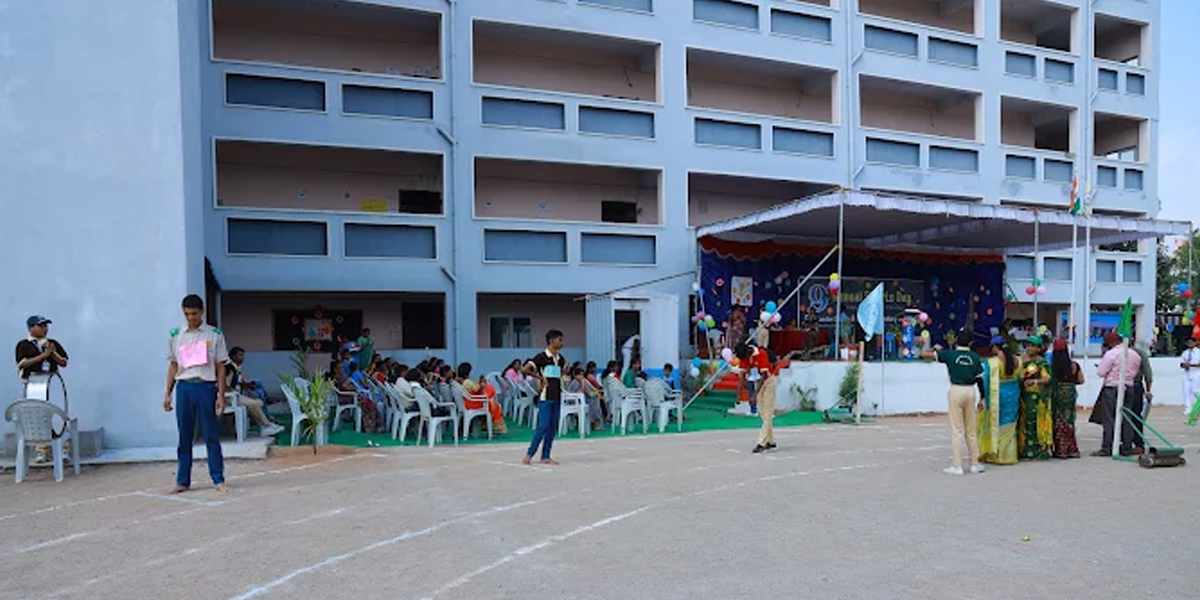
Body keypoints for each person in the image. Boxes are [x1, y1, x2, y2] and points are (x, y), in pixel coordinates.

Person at [163, 294, 230, 494]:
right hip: (184, 387)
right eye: (186, 314)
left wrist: (220, 394)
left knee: (211, 434)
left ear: (201, 312)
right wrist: (167, 393)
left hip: (205, 387)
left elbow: (220, 367)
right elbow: (173, 365)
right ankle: (182, 480)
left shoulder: (214, 334)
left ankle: (218, 478)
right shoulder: (176, 334)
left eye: (193, 313)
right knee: (184, 435)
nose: (190, 318)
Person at [924, 329, 984, 475]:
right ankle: (974, 464)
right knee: (971, 430)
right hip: (971, 391)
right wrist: (982, 398)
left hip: (956, 390)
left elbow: (926, 355)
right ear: (970, 342)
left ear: (956, 340)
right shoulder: (975, 357)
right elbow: (980, 379)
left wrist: (933, 349)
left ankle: (957, 466)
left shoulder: (950, 354)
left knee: (956, 429)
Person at [15, 314, 70, 463]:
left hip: (51, 382)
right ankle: (41, 450)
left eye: (46, 326)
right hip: (34, 383)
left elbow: (64, 362)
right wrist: (43, 356)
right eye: (41, 326)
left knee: (57, 415)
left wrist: (52, 353)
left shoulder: (52, 343)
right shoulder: (24, 344)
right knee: (37, 415)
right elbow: (22, 364)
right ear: (31, 328)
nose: (45, 329)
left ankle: (63, 448)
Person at [1093, 332, 1142, 456]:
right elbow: (1136, 372)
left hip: (1112, 387)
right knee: (1127, 418)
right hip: (1129, 386)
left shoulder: (1111, 354)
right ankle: (1126, 447)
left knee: (1109, 418)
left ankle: (1107, 447)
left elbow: (1101, 372)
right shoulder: (1135, 354)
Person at [523, 330, 568, 465]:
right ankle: (529, 454)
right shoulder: (541, 357)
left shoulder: (560, 359)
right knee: (543, 426)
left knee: (553, 427)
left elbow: (558, 376)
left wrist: (564, 372)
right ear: (551, 341)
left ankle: (545, 455)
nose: (562, 343)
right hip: (545, 396)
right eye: (559, 340)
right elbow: (526, 369)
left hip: (557, 395)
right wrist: (540, 378)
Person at [978, 336, 1018, 465]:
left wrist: (984, 398)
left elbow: (985, 381)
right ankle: (1009, 454)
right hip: (1013, 394)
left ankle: (997, 453)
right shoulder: (1018, 360)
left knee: (997, 423)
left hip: (998, 394)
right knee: (1010, 423)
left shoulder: (991, 362)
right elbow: (1021, 377)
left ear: (995, 347)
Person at [225, 347, 284, 437]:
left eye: (243, 355)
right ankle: (266, 425)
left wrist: (249, 393)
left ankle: (265, 426)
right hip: (229, 397)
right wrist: (234, 392)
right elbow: (225, 385)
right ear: (233, 356)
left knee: (255, 404)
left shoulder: (236, 368)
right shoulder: (229, 368)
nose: (243, 358)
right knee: (256, 403)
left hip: (235, 395)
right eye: (240, 355)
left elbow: (241, 383)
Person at [735, 342, 777, 454]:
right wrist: (738, 394)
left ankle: (761, 442)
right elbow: (742, 376)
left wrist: (754, 394)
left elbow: (764, 376)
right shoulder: (744, 356)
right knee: (763, 413)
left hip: (768, 382)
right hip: (758, 383)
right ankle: (771, 441)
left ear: (749, 351)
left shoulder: (761, 353)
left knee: (767, 412)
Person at [1017, 336, 1053, 460]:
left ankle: (1037, 450)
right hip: (1022, 395)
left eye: (1032, 346)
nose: (1029, 348)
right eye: (1028, 345)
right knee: (1023, 422)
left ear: (1039, 348)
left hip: (1036, 397)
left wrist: (1035, 381)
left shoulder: (1042, 362)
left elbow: (1047, 378)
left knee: (1034, 421)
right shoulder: (1021, 360)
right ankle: (1023, 450)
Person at [1048, 339, 1083, 459]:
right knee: (1069, 420)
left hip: (1057, 394)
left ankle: (1061, 449)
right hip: (1070, 394)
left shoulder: (1052, 366)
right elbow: (1081, 380)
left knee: (1058, 421)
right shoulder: (1074, 365)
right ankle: (1072, 449)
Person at [457, 362, 508, 435]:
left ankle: (488, 426)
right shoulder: (467, 382)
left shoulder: (462, 381)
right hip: (471, 403)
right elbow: (477, 389)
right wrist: (482, 384)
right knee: (493, 404)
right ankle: (495, 427)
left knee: (491, 402)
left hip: (468, 401)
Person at [1180, 337, 1200, 420]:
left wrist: (1191, 365)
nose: (1190, 344)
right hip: (1186, 373)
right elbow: (1181, 363)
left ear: (1195, 343)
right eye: (1188, 342)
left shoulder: (1198, 352)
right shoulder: (1185, 353)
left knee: (1195, 390)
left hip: (1196, 372)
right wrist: (1184, 365)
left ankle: (1198, 404)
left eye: (1192, 342)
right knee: (1186, 390)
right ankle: (1188, 407)